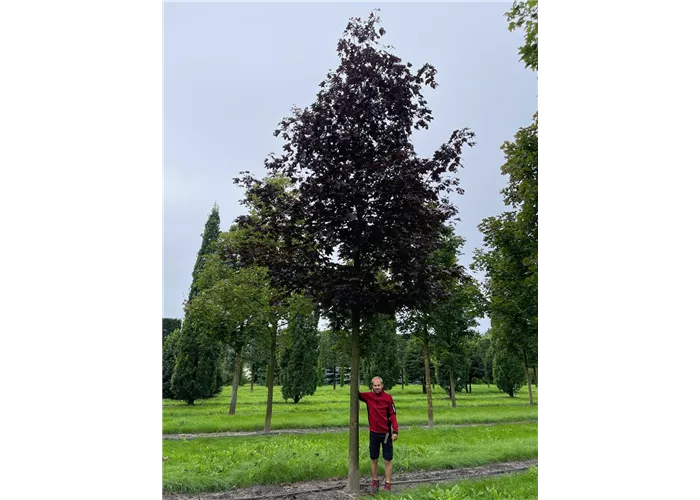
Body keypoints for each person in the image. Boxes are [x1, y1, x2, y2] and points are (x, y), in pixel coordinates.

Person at [359, 376, 399, 495]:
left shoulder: (388, 398)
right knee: (374, 458)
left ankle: (387, 484)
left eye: (378, 385)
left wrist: (395, 431)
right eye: (375, 385)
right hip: (374, 433)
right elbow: (356, 394)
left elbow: (393, 415)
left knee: (387, 459)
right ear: (372, 386)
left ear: (382, 385)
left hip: (386, 433)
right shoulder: (368, 397)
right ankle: (375, 483)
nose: (377, 387)